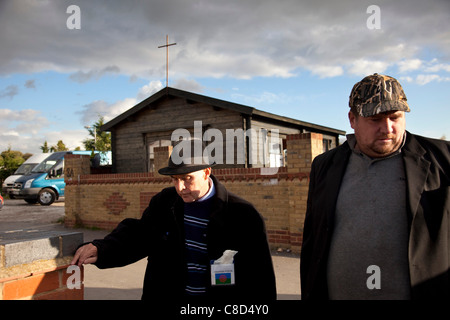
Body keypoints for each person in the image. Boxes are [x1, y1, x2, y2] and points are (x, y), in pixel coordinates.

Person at [300, 73, 450, 300]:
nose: (387, 128)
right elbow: (313, 239)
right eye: (375, 119)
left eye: (395, 117)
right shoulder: (324, 166)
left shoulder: (443, 160)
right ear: (352, 120)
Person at [71, 139, 276, 301]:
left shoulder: (243, 214)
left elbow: (261, 278)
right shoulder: (164, 202)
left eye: (187, 178)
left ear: (206, 172)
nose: (180, 188)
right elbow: (140, 235)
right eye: (175, 179)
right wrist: (102, 249)